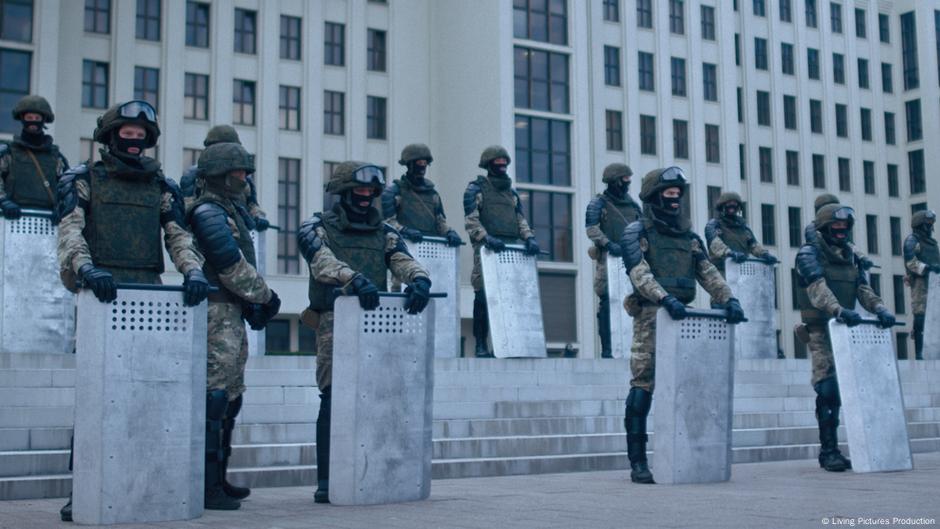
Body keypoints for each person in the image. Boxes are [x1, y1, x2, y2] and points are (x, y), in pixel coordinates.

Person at [55, 100, 209, 521]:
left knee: (147, 393)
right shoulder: (83, 179)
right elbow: (70, 230)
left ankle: (143, 480)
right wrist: (86, 268)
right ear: (110, 136)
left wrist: (193, 272)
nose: (136, 141)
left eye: (142, 136)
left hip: (148, 292)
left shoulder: (162, 185)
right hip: (100, 295)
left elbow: (177, 234)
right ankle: (80, 488)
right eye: (127, 133)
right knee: (94, 397)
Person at [297, 161, 431, 504]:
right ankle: (327, 479)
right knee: (332, 397)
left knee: (376, 395)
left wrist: (419, 278)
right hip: (333, 321)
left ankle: (371, 470)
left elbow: (400, 257)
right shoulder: (316, 227)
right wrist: (352, 279)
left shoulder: (384, 231)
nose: (364, 197)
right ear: (343, 193)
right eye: (358, 191)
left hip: (376, 325)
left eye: (370, 192)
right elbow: (321, 261)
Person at [620, 167, 745, 484]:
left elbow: (707, 272)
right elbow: (640, 274)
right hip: (652, 315)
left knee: (685, 386)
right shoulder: (637, 232)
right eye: (668, 194)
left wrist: (729, 299)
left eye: (678, 195)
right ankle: (638, 462)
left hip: (682, 316)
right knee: (642, 386)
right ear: (653, 197)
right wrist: (664, 299)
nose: (674, 200)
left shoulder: (689, 236)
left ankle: (686, 454)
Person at [187, 142, 281, 510]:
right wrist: (266, 297)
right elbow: (229, 265)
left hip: (232, 313)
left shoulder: (231, 210)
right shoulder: (208, 211)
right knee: (215, 400)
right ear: (219, 174)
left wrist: (254, 302)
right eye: (238, 173)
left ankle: (219, 478)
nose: (244, 179)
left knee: (231, 398)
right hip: (215, 314)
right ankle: (206, 485)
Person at [795, 203, 896, 472]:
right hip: (821, 330)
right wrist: (838, 310)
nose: (840, 231)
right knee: (827, 388)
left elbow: (863, 288)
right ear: (825, 228)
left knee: (843, 389)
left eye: (844, 227)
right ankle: (828, 451)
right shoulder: (808, 254)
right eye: (835, 227)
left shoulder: (851, 255)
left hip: (846, 328)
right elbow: (817, 289)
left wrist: (881, 308)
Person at [463, 145, 540, 358]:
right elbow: (471, 221)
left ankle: (510, 344)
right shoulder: (476, 190)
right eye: (497, 164)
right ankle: (481, 343)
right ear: (489, 166)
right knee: (483, 297)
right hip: (487, 250)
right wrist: (486, 238)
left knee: (511, 298)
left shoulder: (511, 194)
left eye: (504, 164)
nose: (502, 168)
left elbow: (520, 220)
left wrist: (530, 238)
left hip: (511, 251)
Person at [585, 163, 641, 358]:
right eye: (623, 180)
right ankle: (607, 349)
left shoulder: (633, 205)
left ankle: (632, 346)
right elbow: (591, 228)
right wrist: (608, 244)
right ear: (614, 181)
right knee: (608, 301)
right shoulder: (598, 203)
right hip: (608, 260)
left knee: (635, 301)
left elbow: (643, 228)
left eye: (628, 180)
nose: (626, 184)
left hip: (631, 260)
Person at [180, 125, 269, 231]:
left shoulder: (243, 177)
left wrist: (258, 217)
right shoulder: (195, 176)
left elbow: (252, 204)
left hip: (237, 231)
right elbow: (186, 209)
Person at [0, 95, 69, 218]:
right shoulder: (9, 153)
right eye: (29, 117)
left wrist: (62, 206)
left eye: (37, 118)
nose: (33, 121)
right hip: (13, 219)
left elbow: (67, 186)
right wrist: (3, 201)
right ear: (22, 119)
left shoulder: (56, 158)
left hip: (47, 221)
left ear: (43, 120)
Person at [704, 192, 778, 274]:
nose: (732, 206)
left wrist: (764, 254)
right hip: (721, 272)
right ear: (722, 206)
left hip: (741, 271)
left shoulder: (743, 227)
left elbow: (753, 244)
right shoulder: (713, 225)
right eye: (729, 203)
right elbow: (715, 244)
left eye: (735, 204)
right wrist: (730, 253)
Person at [904, 209, 939, 360]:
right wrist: (928, 268)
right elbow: (911, 263)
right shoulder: (912, 240)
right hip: (920, 283)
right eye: (928, 224)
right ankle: (919, 352)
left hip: (935, 282)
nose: (930, 227)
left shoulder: (932, 243)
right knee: (920, 314)